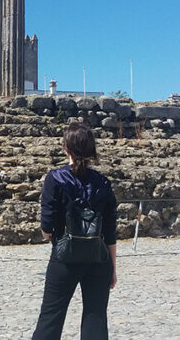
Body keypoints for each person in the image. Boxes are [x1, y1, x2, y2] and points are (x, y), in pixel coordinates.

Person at [33, 122, 118, 340]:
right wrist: (113, 267)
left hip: (64, 259)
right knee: (95, 319)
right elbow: (110, 230)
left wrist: (49, 235)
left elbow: (47, 227)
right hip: (98, 260)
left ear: (66, 149)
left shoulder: (55, 178)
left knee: (50, 318)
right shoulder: (103, 183)